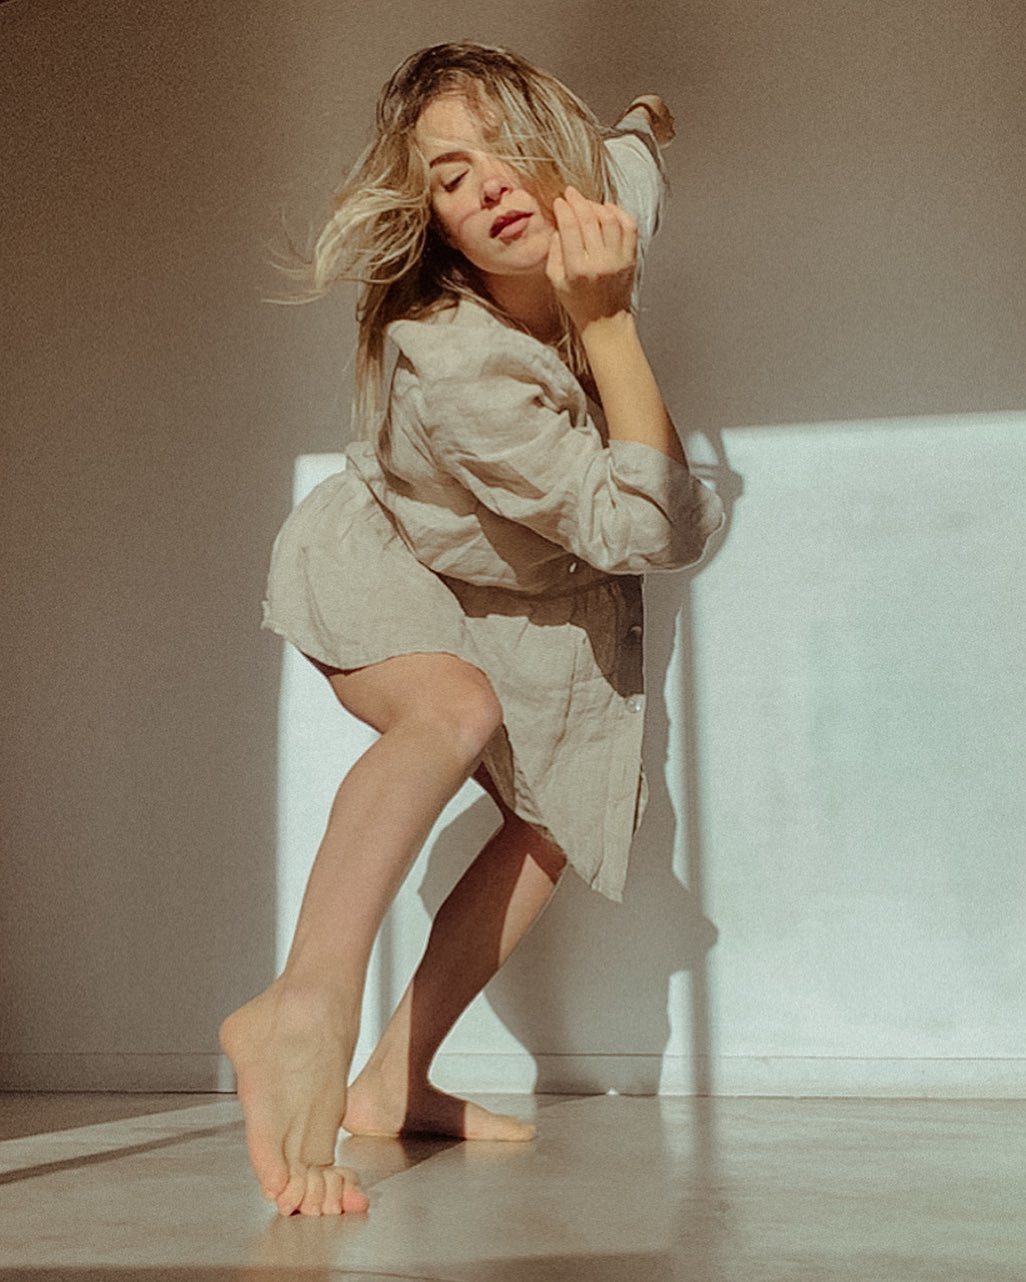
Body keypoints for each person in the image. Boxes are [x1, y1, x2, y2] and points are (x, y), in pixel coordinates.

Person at [219, 40, 724, 1219]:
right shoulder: (455, 365)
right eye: (451, 176)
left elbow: (635, 145)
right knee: (453, 707)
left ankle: (392, 1080)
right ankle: (303, 1005)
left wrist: (650, 114)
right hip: (384, 556)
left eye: (509, 150)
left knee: (554, 816)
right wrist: (609, 325)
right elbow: (643, 529)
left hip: (506, 579)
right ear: (436, 222)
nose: (492, 184)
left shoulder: (600, 198)